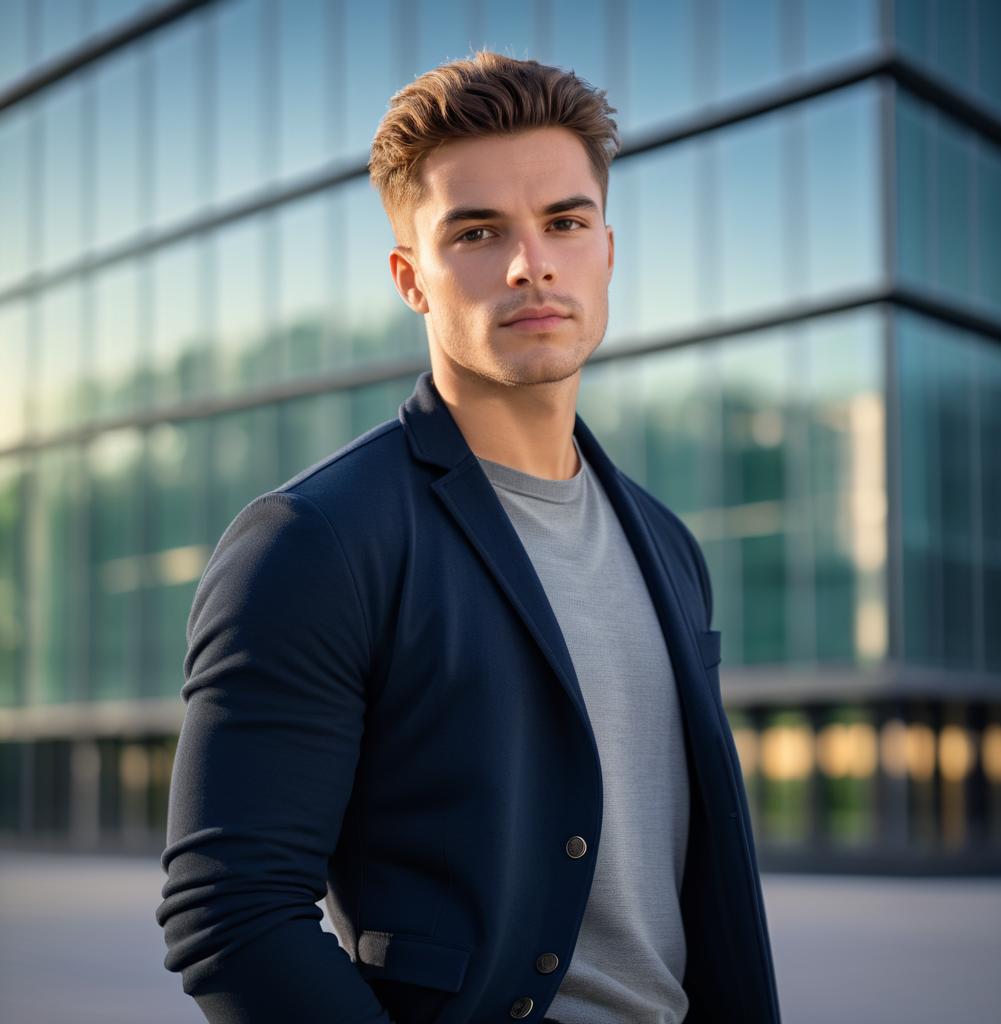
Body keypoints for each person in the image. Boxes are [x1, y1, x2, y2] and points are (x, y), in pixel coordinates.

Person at [156, 49, 781, 1024]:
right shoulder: (314, 541)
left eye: (564, 223)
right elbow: (231, 914)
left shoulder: (667, 543)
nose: (530, 262)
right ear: (412, 278)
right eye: (477, 232)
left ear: (605, 252)